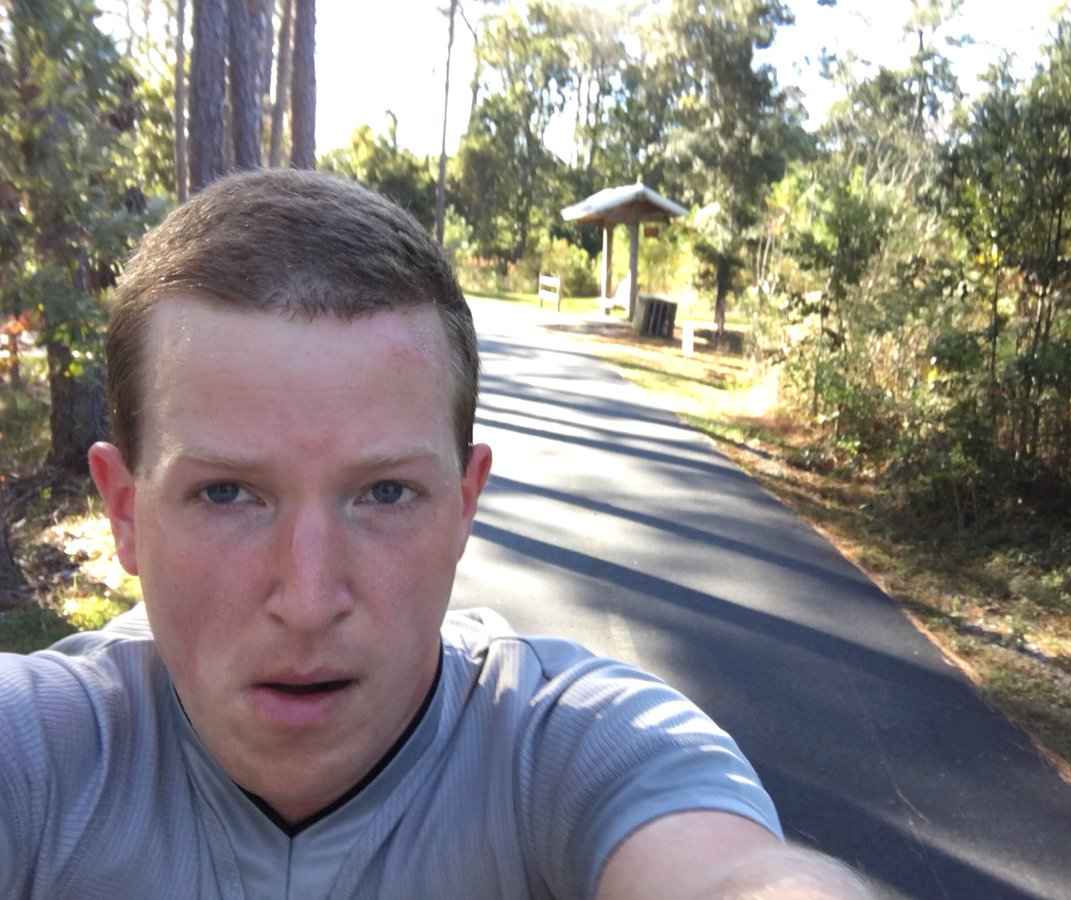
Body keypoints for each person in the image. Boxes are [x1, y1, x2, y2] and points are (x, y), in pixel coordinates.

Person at [0, 169, 870, 900]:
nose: (308, 603)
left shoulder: (571, 745)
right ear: (125, 514)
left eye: (384, 493)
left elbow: (730, 872)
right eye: (226, 493)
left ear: (464, 504)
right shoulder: (41, 750)